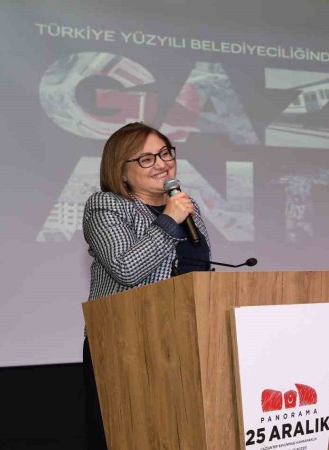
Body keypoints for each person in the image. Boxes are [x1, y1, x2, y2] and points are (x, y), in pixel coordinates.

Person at [81, 122, 211, 449]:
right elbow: (126, 269)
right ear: (121, 170)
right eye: (146, 158)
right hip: (126, 343)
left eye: (165, 153)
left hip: (186, 340)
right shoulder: (106, 206)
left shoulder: (186, 206)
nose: (162, 164)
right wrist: (168, 220)